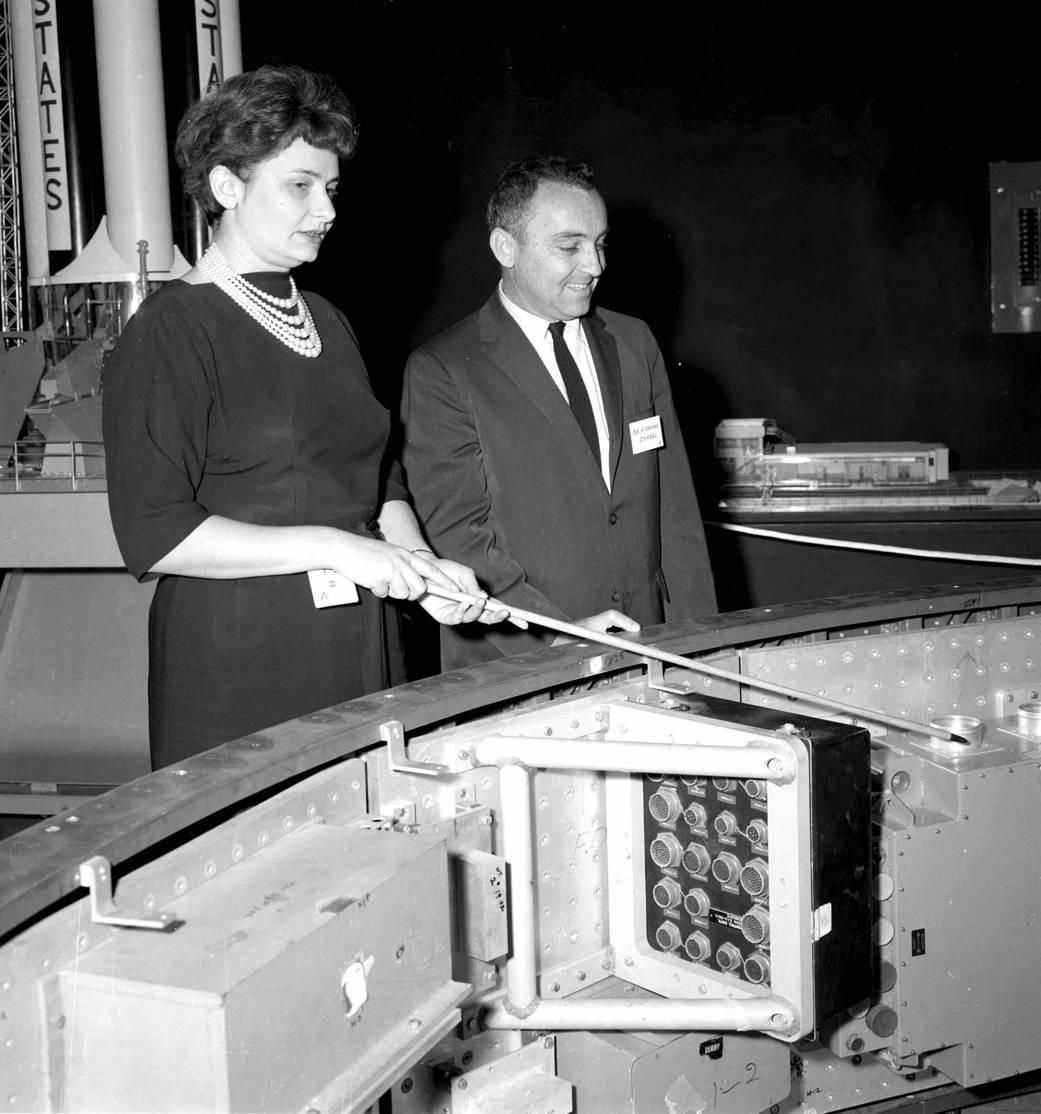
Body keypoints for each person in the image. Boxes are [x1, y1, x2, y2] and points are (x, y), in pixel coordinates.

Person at [103, 65, 506, 769]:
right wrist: (339, 548)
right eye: (299, 186)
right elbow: (155, 533)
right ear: (227, 187)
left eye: (330, 187)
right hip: (241, 655)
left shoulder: (326, 319)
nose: (326, 209)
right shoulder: (172, 329)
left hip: (358, 635)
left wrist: (424, 570)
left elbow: (379, 481)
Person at [401, 155, 717, 669]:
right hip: (517, 664)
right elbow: (457, 536)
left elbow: (675, 512)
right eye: (569, 246)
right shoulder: (443, 369)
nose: (594, 266)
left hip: (651, 650)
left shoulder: (635, 342)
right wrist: (558, 640)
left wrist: (705, 646)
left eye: (599, 244)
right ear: (505, 247)